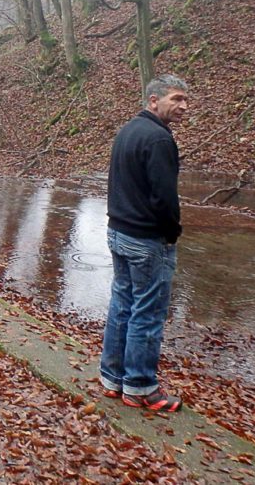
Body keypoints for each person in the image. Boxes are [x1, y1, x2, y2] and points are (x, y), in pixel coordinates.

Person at [99, 74, 189, 412]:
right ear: (154, 101)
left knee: (122, 304)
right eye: (176, 99)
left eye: (185, 101)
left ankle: (112, 379)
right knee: (148, 313)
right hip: (146, 239)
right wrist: (171, 233)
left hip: (118, 232)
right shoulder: (159, 140)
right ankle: (139, 387)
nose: (183, 107)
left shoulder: (128, 130)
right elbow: (165, 199)